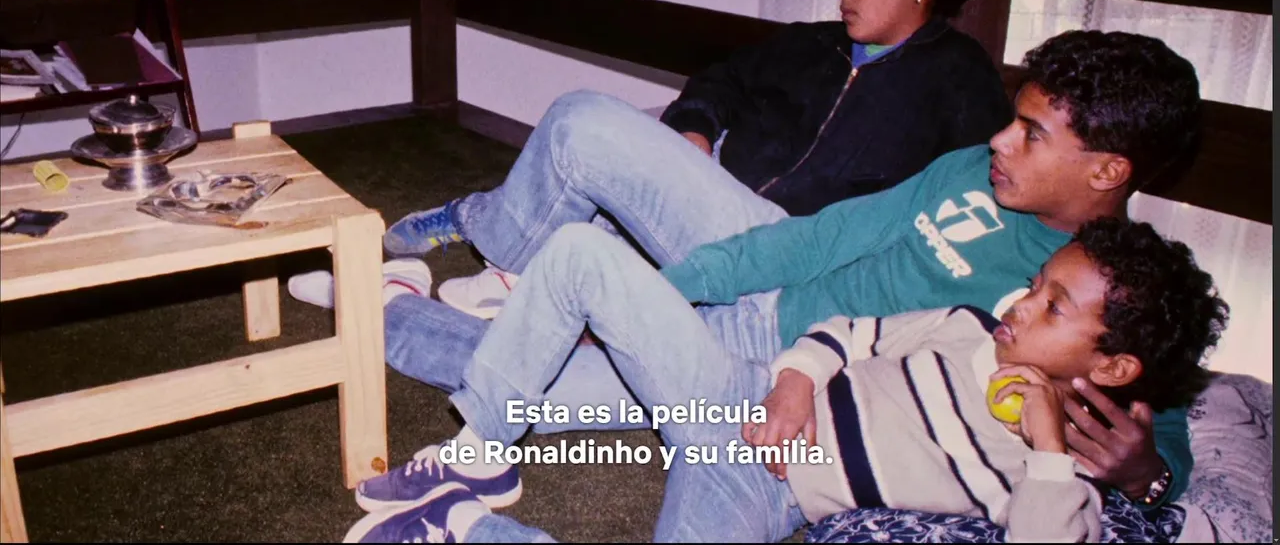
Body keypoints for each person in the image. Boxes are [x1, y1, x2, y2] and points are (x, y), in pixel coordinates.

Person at [330, 29, 1206, 512]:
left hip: (779, 381)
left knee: (514, 383)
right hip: (774, 276)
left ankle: (373, 304)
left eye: (1032, 134)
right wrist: (665, 293)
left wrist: (1146, 474)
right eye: (1013, 119)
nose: (1000, 140)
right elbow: (823, 237)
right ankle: (512, 271)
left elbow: (1159, 435)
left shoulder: (1110, 292)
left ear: (1107, 170)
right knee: (587, 121)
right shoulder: (971, 172)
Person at [340, 217, 1228, 543]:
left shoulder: (1059, 475)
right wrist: (797, 380)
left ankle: (463, 528)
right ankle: (482, 449)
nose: (1021, 305)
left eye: (1052, 306)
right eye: (1035, 285)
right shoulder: (964, 325)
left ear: (1112, 367)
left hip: (767, 491)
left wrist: (1047, 447)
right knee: (580, 254)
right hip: (733, 392)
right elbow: (844, 331)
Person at [375, 0, 1011, 315]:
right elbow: (721, 80)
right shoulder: (812, 43)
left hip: (791, 246)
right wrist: (695, 128)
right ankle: (513, 265)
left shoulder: (958, 77)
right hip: (712, 198)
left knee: (581, 121)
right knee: (602, 173)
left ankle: (495, 241)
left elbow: (978, 199)